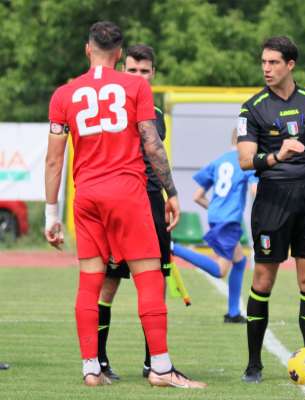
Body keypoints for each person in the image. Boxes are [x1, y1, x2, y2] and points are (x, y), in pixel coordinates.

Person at [45, 21, 205, 389]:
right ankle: (161, 369)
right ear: (120, 54)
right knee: (149, 277)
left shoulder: (64, 94)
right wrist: (172, 192)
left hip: (85, 197)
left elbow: (54, 160)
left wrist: (51, 213)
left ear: (88, 49)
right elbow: (151, 143)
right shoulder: (135, 86)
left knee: (90, 282)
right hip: (127, 193)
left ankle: (91, 368)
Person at [236, 36, 305, 383]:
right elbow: (245, 161)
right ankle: (254, 364)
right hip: (272, 199)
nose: (266, 69)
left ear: (290, 65)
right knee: (263, 280)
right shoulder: (252, 108)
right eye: (263, 62)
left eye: (273, 63)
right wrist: (277, 155)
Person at [97, 44, 172, 381]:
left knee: (156, 283)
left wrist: (170, 195)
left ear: (153, 73)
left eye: (145, 71)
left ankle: (151, 362)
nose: (139, 77)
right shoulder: (108, 108)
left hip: (152, 201)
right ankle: (98, 361)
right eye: (132, 71)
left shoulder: (155, 112)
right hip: (120, 201)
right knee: (108, 284)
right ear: (121, 71)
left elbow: (155, 157)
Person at [172, 129, 257, 323]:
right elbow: (255, 191)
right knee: (220, 270)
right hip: (229, 221)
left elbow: (197, 196)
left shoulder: (218, 161)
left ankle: (233, 313)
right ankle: (174, 248)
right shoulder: (246, 162)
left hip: (217, 217)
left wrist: (216, 209)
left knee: (240, 261)